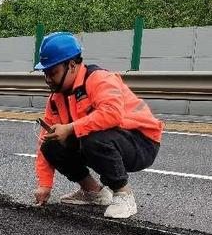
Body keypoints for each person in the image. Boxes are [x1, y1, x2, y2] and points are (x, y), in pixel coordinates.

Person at [32, 32, 164, 219]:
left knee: (91, 135)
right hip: (103, 139)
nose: (48, 79)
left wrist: (70, 128)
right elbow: (45, 142)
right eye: (45, 73)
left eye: (53, 72)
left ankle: (124, 195)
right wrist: (45, 185)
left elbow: (112, 114)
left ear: (71, 65)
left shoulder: (98, 78)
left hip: (141, 143)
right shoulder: (56, 99)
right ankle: (94, 193)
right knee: (50, 144)